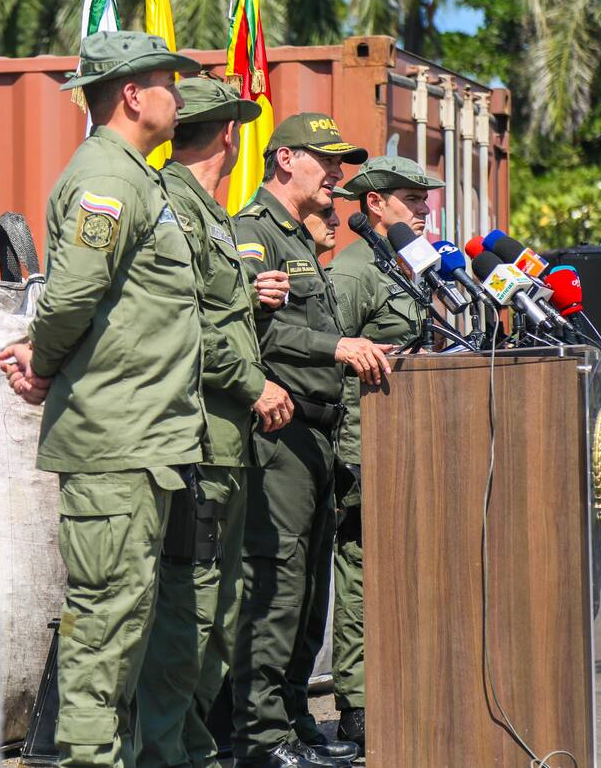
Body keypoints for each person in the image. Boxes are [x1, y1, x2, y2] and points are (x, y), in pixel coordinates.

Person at [0, 30, 206, 768]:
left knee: (142, 628)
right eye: (168, 83)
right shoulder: (107, 181)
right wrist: (44, 361)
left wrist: (47, 357)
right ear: (131, 94)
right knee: (104, 629)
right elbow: (76, 291)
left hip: (152, 440)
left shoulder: (136, 177)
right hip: (118, 442)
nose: (180, 97)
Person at [135, 76, 295, 768]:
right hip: (196, 442)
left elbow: (216, 308)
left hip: (224, 446)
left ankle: (193, 749)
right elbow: (188, 323)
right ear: (229, 134)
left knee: (219, 617)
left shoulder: (206, 211)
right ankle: (165, 754)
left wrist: (252, 301)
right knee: (190, 618)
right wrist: (253, 380)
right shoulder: (177, 206)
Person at [230, 113, 393, 768]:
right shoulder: (253, 235)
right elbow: (256, 337)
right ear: (284, 158)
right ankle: (261, 737)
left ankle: (295, 722)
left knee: (308, 598)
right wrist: (337, 344)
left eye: (342, 162)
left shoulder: (301, 242)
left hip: (318, 437)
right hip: (279, 436)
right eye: (326, 159)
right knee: (277, 586)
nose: (338, 173)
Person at [324, 156, 443, 752]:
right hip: (362, 447)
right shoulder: (354, 271)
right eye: (411, 198)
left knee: (405, 569)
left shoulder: (409, 267)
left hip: (409, 442)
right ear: (376, 204)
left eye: (424, 199)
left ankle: (404, 683)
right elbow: (328, 356)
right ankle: (359, 701)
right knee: (364, 571)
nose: (424, 209)